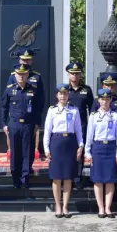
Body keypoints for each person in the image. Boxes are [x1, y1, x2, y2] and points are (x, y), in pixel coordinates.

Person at [44, 84, 84, 218]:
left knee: (68, 177)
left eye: (65, 93)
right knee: (56, 177)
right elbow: (47, 130)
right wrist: (46, 148)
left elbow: (78, 129)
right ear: (57, 95)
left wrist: (80, 145)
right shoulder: (52, 110)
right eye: (61, 94)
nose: (63, 96)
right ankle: (58, 206)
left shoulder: (74, 110)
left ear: (68, 95)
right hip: (56, 143)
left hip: (70, 143)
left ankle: (65, 206)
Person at [84, 88, 117, 218]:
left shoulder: (116, 116)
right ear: (98, 100)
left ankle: (108, 208)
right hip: (98, 148)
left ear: (110, 100)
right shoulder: (94, 116)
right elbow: (89, 135)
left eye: (107, 99)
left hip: (111, 147)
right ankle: (100, 208)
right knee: (98, 179)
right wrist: (87, 152)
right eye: (102, 99)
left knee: (110, 180)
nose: (104, 102)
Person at [1, 63, 39, 188]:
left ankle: (25, 178)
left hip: (28, 124)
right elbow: (4, 106)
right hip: (14, 124)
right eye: (19, 74)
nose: (21, 76)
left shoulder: (33, 89)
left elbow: (38, 107)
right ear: (15, 75)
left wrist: (37, 123)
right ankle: (15, 179)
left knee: (27, 152)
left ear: (27, 75)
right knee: (15, 151)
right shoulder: (10, 89)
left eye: (24, 74)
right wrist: (4, 124)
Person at [5, 49, 44, 167]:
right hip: (16, 119)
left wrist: (37, 121)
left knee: (29, 147)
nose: (25, 62)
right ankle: (17, 170)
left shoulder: (37, 77)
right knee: (16, 148)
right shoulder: (13, 76)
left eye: (28, 60)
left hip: (30, 119)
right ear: (19, 60)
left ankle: (27, 169)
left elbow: (40, 101)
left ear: (31, 61)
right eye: (23, 60)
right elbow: (7, 98)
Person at [65, 61, 94, 189]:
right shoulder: (65, 90)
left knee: (79, 152)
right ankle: (68, 177)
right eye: (72, 73)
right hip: (68, 126)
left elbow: (92, 109)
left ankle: (77, 177)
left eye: (77, 73)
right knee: (68, 152)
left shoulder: (86, 90)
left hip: (82, 125)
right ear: (68, 74)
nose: (75, 76)